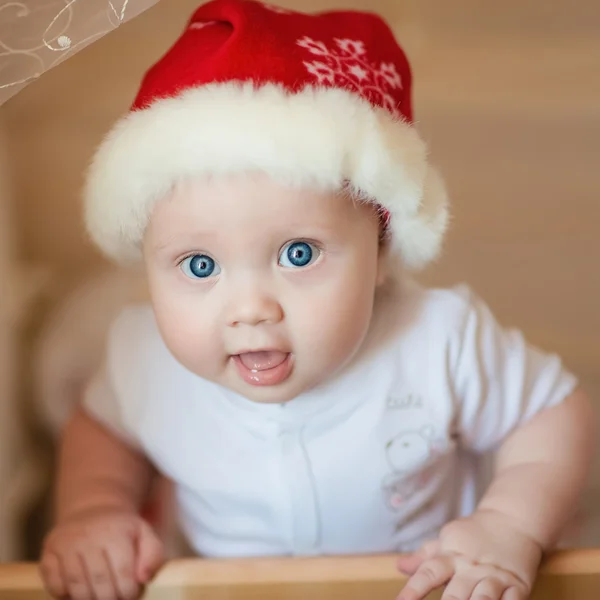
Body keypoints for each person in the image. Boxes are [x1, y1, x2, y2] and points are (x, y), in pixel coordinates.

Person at [39, 1, 596, 599]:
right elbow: (103, 428)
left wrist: (509, 523)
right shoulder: (140, 359)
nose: (250, 308)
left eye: (298, 254)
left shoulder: (440, 339)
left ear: (382, 251)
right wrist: (93, 509)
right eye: (200, 266)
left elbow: (551, 410)